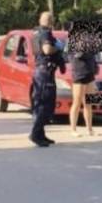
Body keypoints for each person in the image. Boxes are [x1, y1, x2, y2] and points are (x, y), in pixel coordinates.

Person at [29, 11, 65, 147]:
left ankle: (40, 134)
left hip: (41, 72)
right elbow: (47, 50)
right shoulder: (45, 33)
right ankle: (35, 134)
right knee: (45, 104)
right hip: (45, 73)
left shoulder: (36, 33)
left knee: (40, 104)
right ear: (51, 21)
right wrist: (58, 47)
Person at [68, 33, 98, 138]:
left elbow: (93, 57)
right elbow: (79, 55)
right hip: (79, 75)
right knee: (76, 103)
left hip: (89, 75)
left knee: (88, 104)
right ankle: (73, 129)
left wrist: (95, 67)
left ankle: (90, 129)